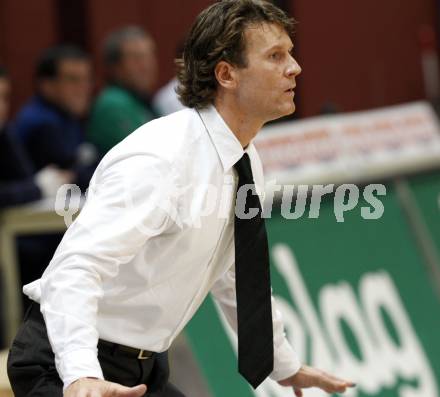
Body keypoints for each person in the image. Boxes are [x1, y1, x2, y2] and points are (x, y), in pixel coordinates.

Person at [7, 1, 356, 397]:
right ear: (226, 74)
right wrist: (80, 374)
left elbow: (236, 274)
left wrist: (283, 364)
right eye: (276, 56)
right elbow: (75, 267)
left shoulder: (243, 157)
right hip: (64, 365)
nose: (295, 67)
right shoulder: (162, 158)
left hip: (141, 367)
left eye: (290, 54)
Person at [12, 45, 96, 192]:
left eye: (86, 79)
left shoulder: (68, 115)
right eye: (73, 80)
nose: (83, 88)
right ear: (47, 85)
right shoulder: (40, 123)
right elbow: (81, 177)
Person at [87, 26, 159, 156]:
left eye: (149, 55)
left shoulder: (141, 99)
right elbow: (143, 156)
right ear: (115, 66)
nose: (147, 65)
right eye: (137, 58)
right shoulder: (113, 104)